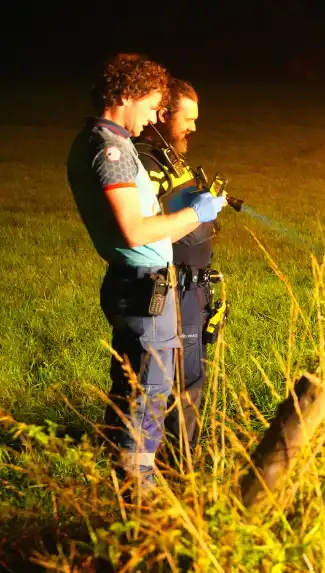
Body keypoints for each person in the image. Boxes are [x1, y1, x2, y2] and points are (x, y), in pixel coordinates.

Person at [66, 53, 226, 493]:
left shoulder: (96, 141)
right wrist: (195, 215)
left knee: (135, 386)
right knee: (149, 395)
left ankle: (120, 479)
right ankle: (138, 494)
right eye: (153, 105)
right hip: (144, 289)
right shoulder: (112, 150)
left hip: (137, 286)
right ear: (127, 95)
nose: (156, 116)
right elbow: (134, 230)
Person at [134, 78, 216, 458]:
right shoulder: (146, 162)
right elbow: (147, 226)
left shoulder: (170, 155)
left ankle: (174, 460)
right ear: (163, 115)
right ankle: (176, 470)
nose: (194, 128)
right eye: (189, 119)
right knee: (178, 381)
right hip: (172, 288)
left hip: (192, 287)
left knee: (190, 376)